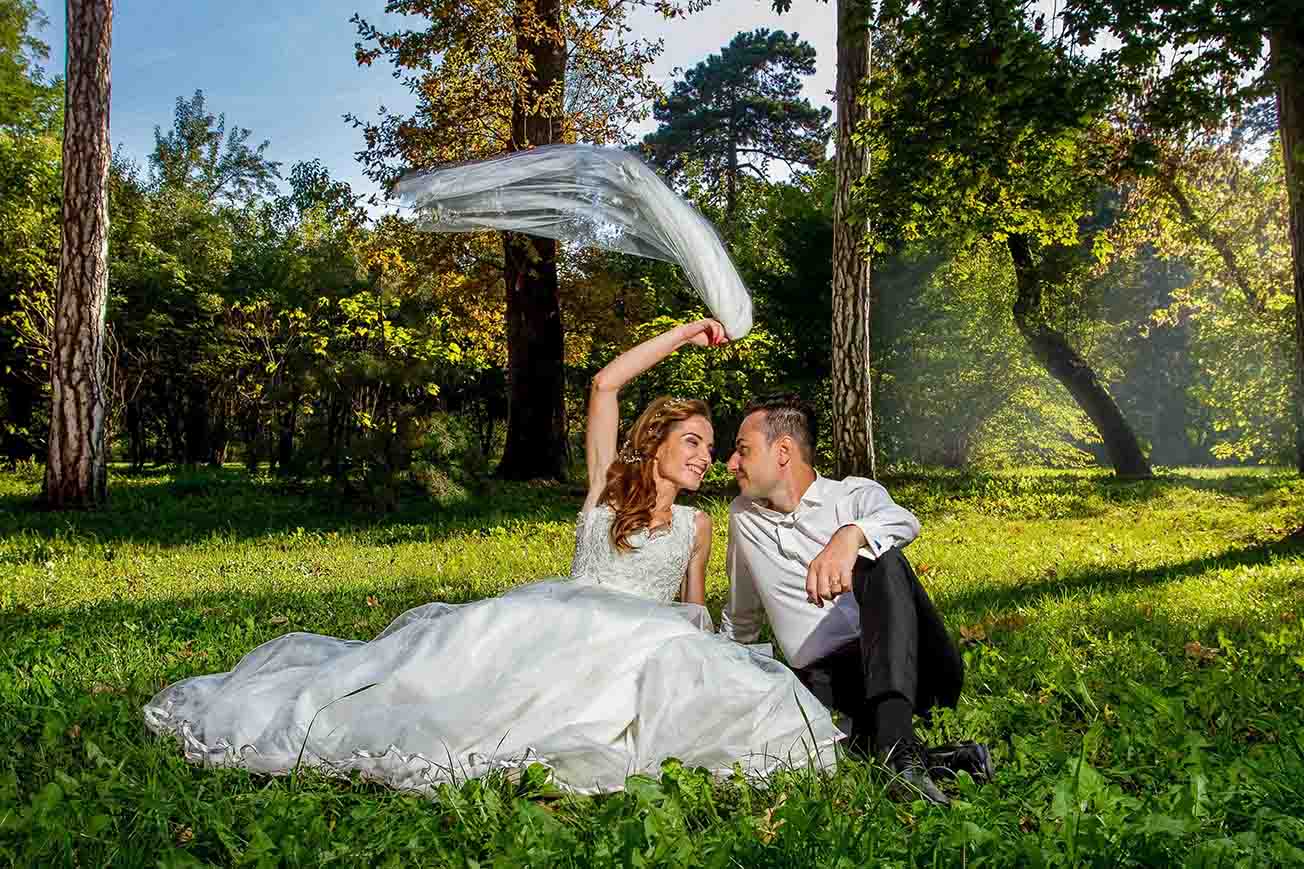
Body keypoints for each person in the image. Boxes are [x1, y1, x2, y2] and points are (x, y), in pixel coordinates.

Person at [143, 322, 841, 795]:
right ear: (656, 439)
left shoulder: (699, 525)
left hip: (636, 644)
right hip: (558, 623)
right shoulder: (603, 488)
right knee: (435, 682)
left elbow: (692, 613)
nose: (705, 454)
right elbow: (605, 385)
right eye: (692, 440)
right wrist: (686, 333)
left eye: (712, 444)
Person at [720, 393, 993, 805]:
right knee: (798, 745)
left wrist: (851, 536)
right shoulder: (743, 516)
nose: (731, 463)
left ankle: (898, 750)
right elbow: (742, 617)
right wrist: (714, 674)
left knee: (881, 559)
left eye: (742, 451)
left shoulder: (853, 495)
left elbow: (903, 521)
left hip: (915, 668)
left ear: (783, 451)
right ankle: (921, 756)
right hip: (831, 684)